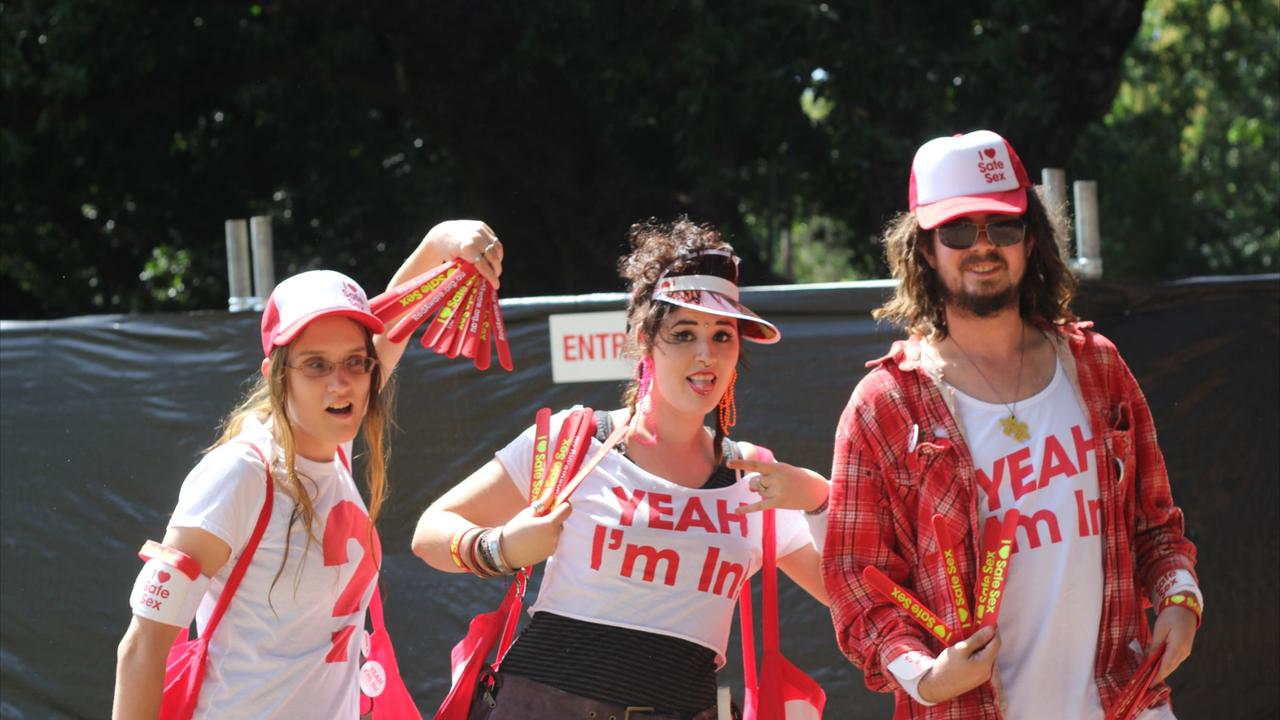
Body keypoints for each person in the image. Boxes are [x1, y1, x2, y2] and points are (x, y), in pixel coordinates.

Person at [824, 130, 1202, 719]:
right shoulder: (884, 406)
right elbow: (855, 584)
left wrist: (1180, 598)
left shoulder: (1097, 366)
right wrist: (926, 676)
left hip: (1125, 702)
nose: (983, 247)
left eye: (1003, 227)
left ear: (1031, 241)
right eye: (957, 231)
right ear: (924, 249)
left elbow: (1155, 528)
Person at [412, 218, 830, 720]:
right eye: (683, 333)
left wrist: (820, 500)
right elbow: (431, 532)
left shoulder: (754, 477)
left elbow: (843, 594)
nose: (706, 354)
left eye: (723, 335)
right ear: (644, 338)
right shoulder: (575, 440)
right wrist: (501, 548)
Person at [113, 220, 504, 719]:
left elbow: (391, 326)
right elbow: (143, 646)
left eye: (354, 364)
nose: (340, 384)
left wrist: (437, 243)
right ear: (276, 376)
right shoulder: (239, 475)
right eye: (315, 365)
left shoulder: (328, 445)